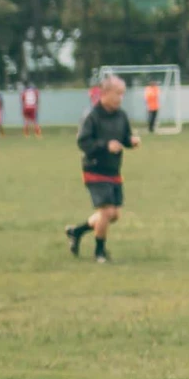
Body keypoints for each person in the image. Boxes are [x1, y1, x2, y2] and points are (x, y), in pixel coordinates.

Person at [66, 75, 139, 265]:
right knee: (106, 212)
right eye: (118, 94)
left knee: (113, 215)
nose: (121, 98)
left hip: (113, 170)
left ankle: (77, 231)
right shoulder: (92, 115)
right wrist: (105, 146)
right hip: (94, 169)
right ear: (105, 93)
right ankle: (99, 252)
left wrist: (131, 141)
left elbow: (125, 137)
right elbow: (83, 142)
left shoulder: (121, 115)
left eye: (123, 94)